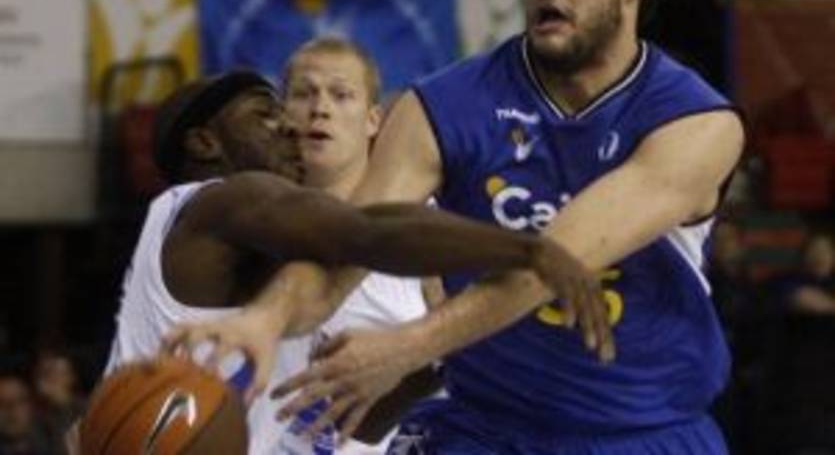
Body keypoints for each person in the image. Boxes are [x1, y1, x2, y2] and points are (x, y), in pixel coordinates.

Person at [186, 0, 746, 453]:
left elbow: (555, 259)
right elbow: (349, 240)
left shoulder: (696, 123)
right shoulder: (444, 106)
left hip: (644, 433)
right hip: (482, 431)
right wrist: (266, 318)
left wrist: (406, 348)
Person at [98, 70, 609, 453]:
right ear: (204, 141)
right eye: (264, 114)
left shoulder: (261, 279)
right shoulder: (221, 200)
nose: (290, 127)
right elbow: (367, 233)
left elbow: (345, 427)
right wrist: (530, 250)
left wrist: (439, 351)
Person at [246, 38, 445, 454]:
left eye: (341, 95)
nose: (320, 108)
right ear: (282, 116)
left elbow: (457, 350)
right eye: (304, 94)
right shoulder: (249, 215)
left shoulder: (418, 220)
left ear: (373, 120)